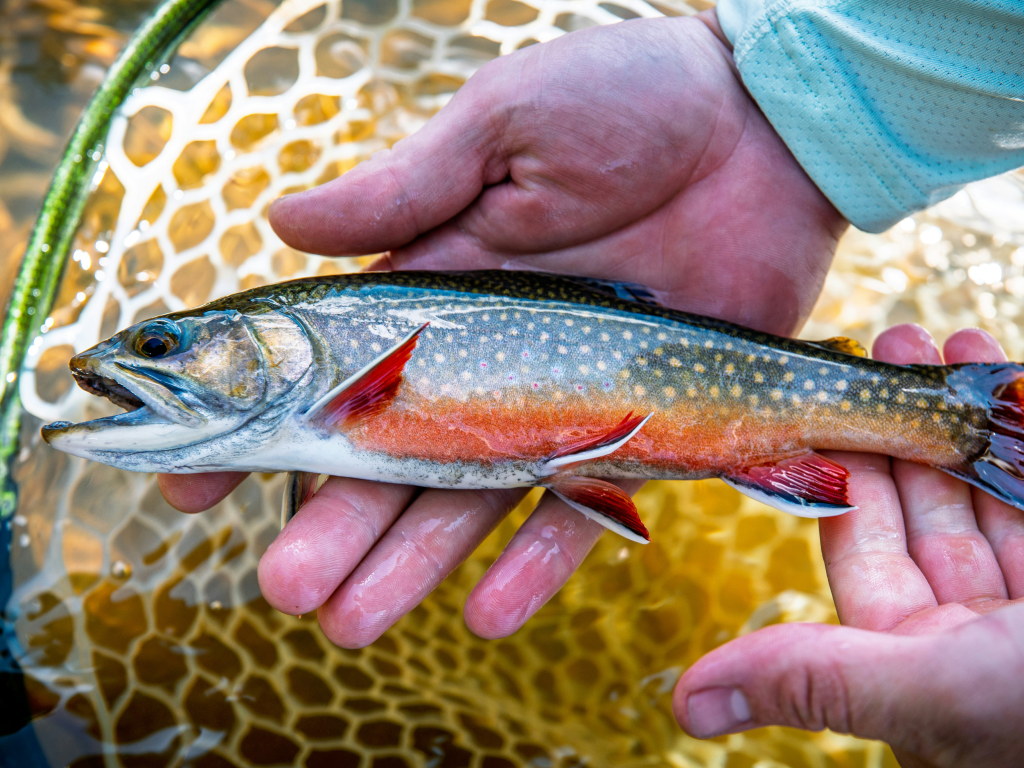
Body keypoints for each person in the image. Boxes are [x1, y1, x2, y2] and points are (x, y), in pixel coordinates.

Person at [158, 2, 1024, 765]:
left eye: (167, 347)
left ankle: (964, 421)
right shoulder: (324, 367)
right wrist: (780, 97)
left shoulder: (327, 363)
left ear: (261, 336)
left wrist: (767, 97)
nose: (135, 366)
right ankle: (957, 419)